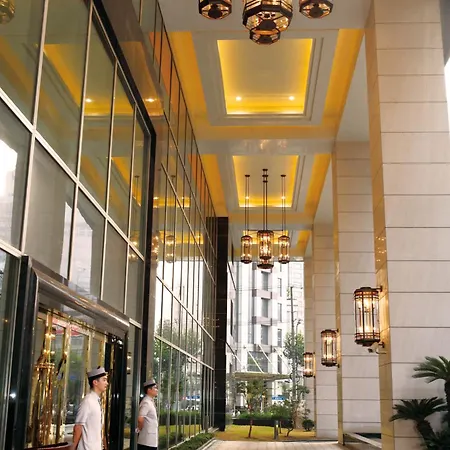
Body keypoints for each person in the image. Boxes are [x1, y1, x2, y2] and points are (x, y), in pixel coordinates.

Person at [72, 366, 109, 450]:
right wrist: (73, 447)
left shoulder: (97, 401)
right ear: (95, 382)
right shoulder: (88, 401)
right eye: (104, 380)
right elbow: (78, 427)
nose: (106, 383)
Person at [137, 379, 159, 450]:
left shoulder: (151, 401)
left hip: (151, 440)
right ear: (149, 390)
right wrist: (139, 429)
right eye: (155, 388)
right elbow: (140, 418)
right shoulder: (146, 402)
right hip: (146, 441)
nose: (157, 390)